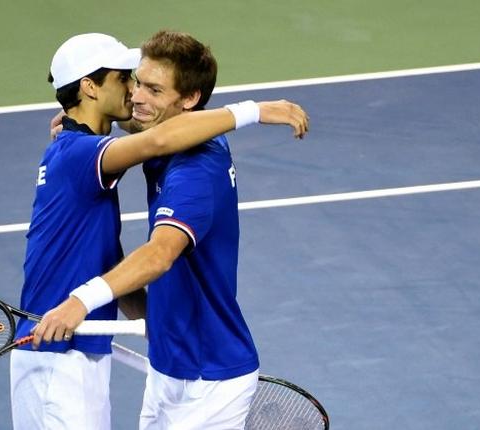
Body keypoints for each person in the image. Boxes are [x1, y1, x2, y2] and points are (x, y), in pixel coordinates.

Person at [31, 30, 309, 429]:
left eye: (154, 90)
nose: (137, 98)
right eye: (138, 82)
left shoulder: (195, 171)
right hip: (170, 365)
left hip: (208, 378)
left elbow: (161, 254)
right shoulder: (172, 136)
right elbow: (148, 129)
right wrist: (81, 131)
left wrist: (81, 300)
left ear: (190, 100)